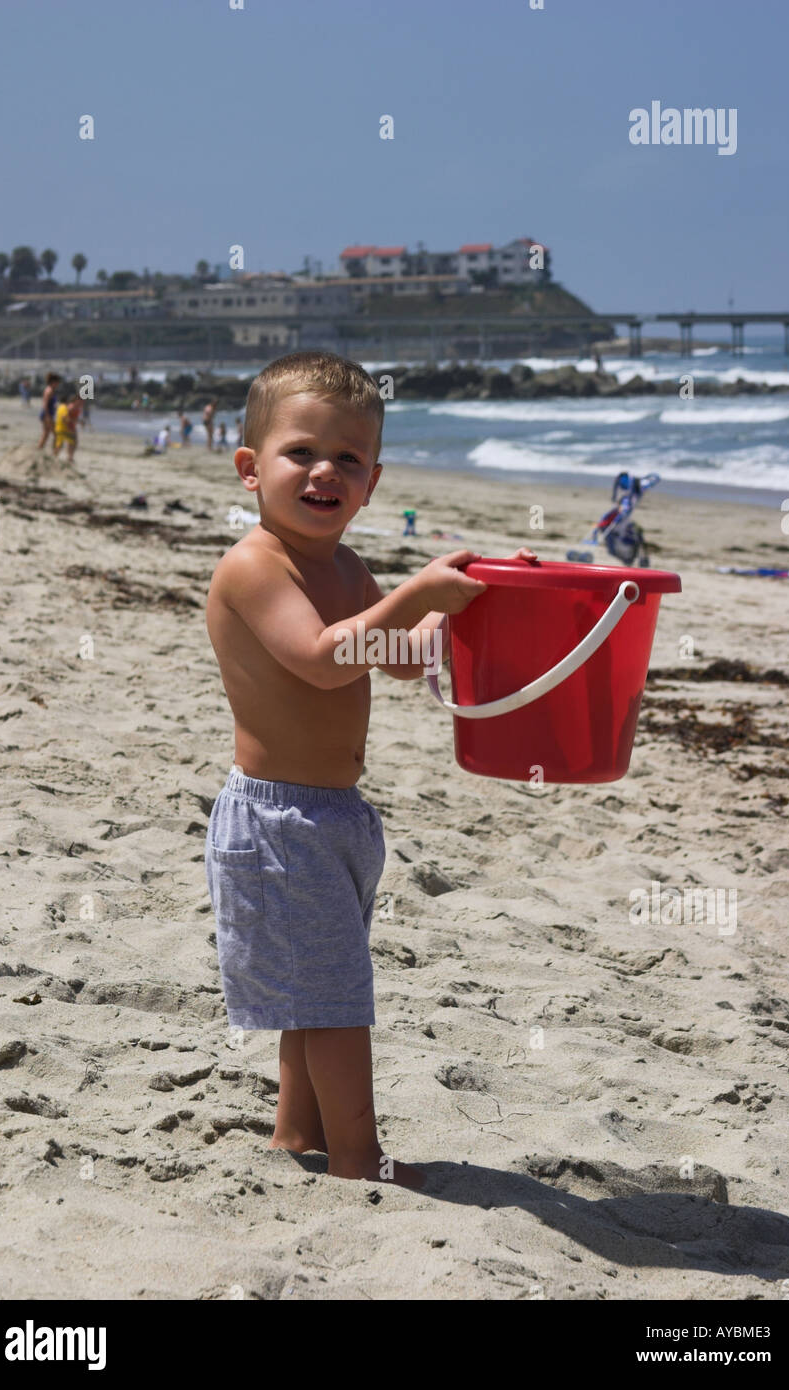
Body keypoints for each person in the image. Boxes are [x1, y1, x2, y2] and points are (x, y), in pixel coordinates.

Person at [204, 349, 535, 1189]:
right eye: (302, 452)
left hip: (337, 817)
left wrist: (469, 627)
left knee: (312, 991)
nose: (325, 472)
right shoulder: (255, 566)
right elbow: (320, 659)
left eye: (348, 459)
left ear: (373, 481)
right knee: (338, 1000)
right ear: (250, 469)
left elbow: (386, 654)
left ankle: (295, 1133)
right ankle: (358, 1159)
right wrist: (416, 594)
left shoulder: (346, 567)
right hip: (279, 821)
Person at [38, 373, 62, 450]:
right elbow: (45, 404)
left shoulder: (49, 389)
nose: (58, 384)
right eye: (57, 382)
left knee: (46, 433)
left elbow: (50, 404)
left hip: (47, 414)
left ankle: (39, 449)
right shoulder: (49, 391)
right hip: (47, 415)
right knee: (56, 434)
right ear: (53, 382)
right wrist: (48, 416)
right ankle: (54, 453)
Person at [53, 392, 79, 461]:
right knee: (73, 441)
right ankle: (70, 457)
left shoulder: (60, 407)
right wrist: (69, 424)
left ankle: (54, 457)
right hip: (63, 429)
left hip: (58, 428)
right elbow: (64, 418)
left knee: (59, 444)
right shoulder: (64, 408)